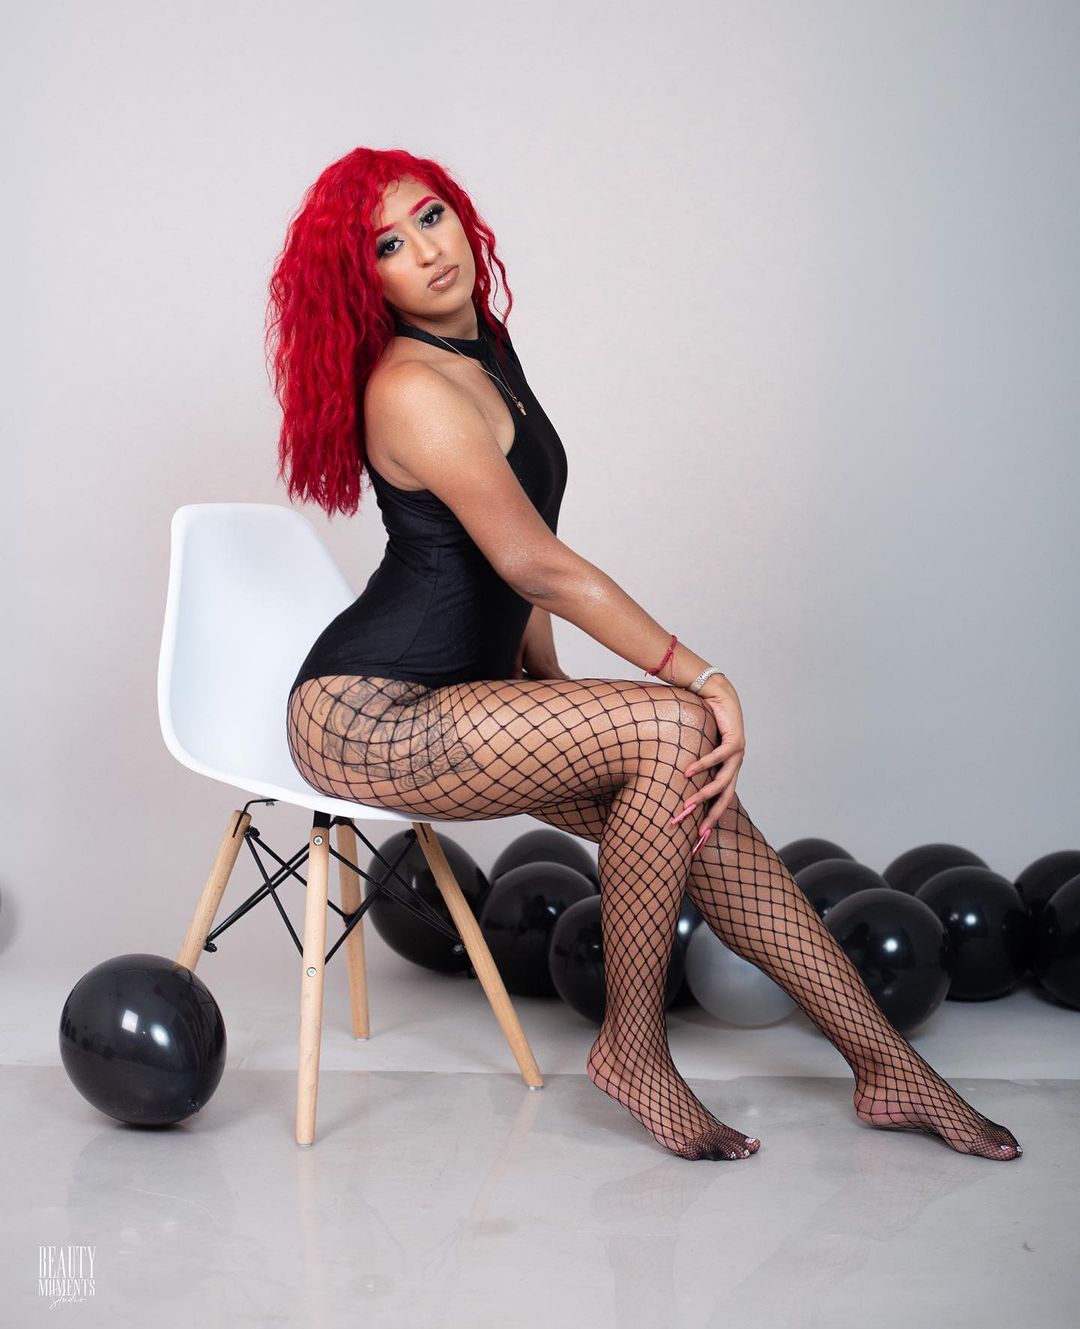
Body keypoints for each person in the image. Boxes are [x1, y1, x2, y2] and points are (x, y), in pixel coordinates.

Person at [267, 146, 1022, 1163]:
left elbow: (509, 550)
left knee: (708, 821)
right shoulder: (410, 386)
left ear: (463, 217)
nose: (428, 252)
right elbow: (534, 566)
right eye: (388, 246)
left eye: (431, 216)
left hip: (464, 699)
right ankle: (633, 1049)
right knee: (678, 722)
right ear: (368, 282)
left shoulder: (484, 347)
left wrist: (559, 699)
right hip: (368, 716)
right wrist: (700, 674)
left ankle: (890, 1067)